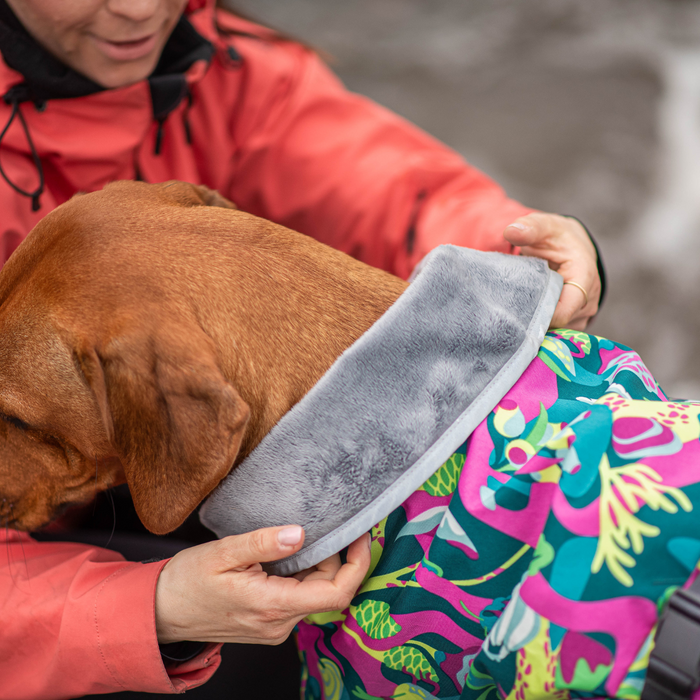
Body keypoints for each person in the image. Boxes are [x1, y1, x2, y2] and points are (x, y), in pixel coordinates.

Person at [0, 0, 605, 697]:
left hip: (156, 454)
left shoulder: (220, 66)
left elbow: (393, 192)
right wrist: (157, 610)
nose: (139, 5)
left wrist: (524, 251)